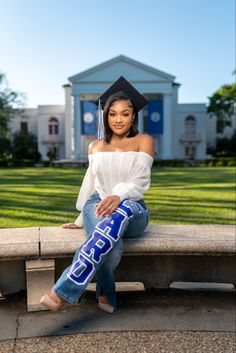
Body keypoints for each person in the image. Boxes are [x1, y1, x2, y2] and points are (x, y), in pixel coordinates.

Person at [40, 76, 154, 314]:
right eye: (113, 113)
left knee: (118, 215)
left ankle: (62, 289)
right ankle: (104, 292)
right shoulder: (95, 146)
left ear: (133, 116)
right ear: (105, 115)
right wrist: (83, 218)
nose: (119, 119)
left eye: (125, 113)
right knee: (112, 247)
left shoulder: (144, 141)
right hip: (98, 203)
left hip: (133, 208)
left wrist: (119, 196)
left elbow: (140, 180)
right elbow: (91, 181)